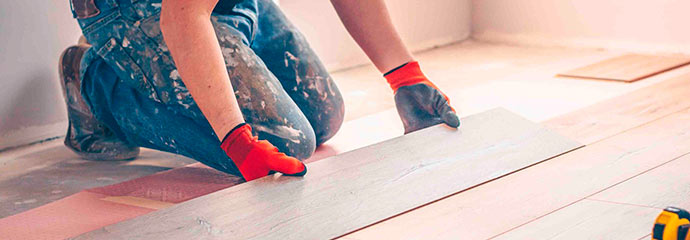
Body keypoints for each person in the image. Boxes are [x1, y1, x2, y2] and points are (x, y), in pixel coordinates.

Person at [61, 0, 460, 181]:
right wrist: (235, 140)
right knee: (285, 141)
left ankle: (219, 45)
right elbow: (182, 16)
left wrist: (405, 77)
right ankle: (94, 82)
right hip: (137, 8)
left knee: (324, 117)